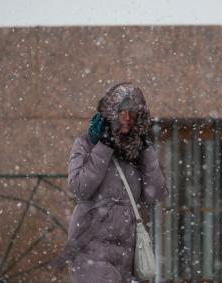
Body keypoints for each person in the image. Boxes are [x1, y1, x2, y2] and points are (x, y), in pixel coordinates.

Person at [49, 82, 168, 282]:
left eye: (133, 113)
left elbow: (154, 194)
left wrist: (146, 151)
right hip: (90, 248)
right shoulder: (86, 143)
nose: (127, 119)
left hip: (125, 253)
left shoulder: (137, 151)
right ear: (111, 113)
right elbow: (80, 188)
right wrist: (104, 146)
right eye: (122, 112)